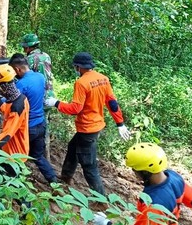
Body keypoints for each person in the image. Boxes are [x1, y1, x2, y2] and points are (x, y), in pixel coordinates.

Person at [45, 52, 131, 200]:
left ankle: (101, 200)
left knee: (89, 165)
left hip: (87, 128)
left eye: (75, 67)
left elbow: (75, 109)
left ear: (78, 67)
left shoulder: (81, 83)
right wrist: (120, 123)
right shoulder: (103, 79)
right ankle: (65, 178)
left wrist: (56, 103)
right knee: (73, 147)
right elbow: (112, 102)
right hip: (96, 125)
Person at [92, 143, 192, 225]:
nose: (134, 173)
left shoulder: (154, 204)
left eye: (134, 170)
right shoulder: (174, 177)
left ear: (145, 172)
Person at [9, 54, 57, 184]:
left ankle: (17, 184)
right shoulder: (40, 77)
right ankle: (53, 181)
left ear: (18, 69)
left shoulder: (21, 84)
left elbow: (12, 103)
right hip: (41, 124)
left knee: (16, 156)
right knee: (38, 155)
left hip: (27, 128)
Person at [0, 64, 30, 178]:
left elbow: (6, 136)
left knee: (11, 187)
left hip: (14, 155)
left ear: (2, 87)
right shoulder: (20, 98)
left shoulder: (17, 107)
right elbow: (9, 112)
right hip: (7, 148)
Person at [20, 33, 55, 100]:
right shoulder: (46, 56)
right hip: (50, 95)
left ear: (28, 47)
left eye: (24, 47)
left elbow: (25, 77)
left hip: (38, 97)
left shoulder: (29, 59)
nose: (23, 49)